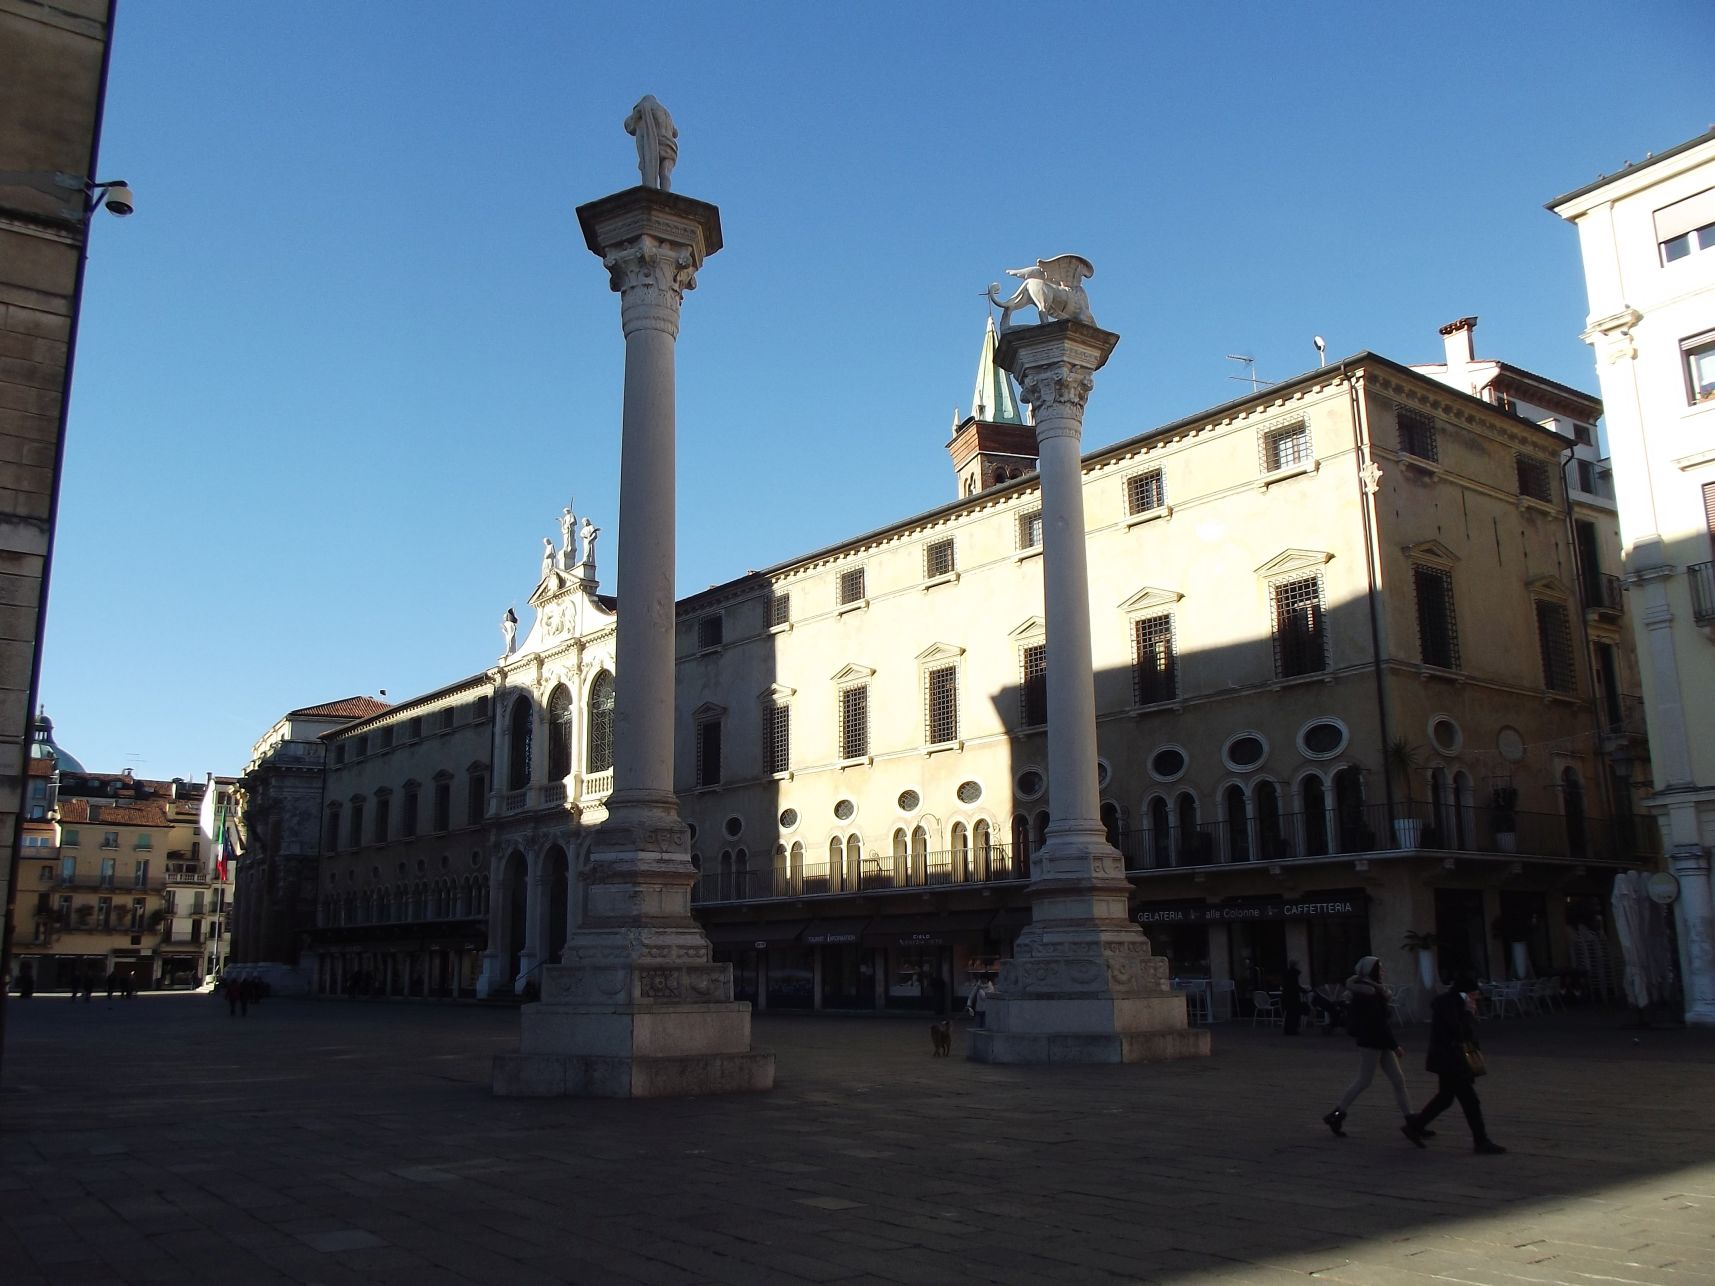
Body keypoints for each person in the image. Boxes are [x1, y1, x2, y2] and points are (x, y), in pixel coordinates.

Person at [1405, 976, 1506, 1153]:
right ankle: (1480, 1141)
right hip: (1452, 1060)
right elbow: (1459, 1032)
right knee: (1470, 1101)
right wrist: (1468, 1013)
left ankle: (1416, 1125)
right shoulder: (1453, 1005)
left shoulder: (1448, 1003)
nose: (1476, 998)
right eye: (1474, 995)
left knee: (1445, 1097)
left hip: (1446, 1059)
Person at [1321, 956, 1418, 1138]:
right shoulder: (1367, 993)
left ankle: (1412, 1120)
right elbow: (1379, 1022)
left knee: (1398, 1079)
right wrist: (1395, 1045)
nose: (1383, 971)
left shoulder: (1373, 990)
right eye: (1379, 968)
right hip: (1371, 1041)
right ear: (1371, 971)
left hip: (1378, 1040)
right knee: (1364, 1080)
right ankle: (1336, 1114)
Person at [1281, 960, 1305, 1036]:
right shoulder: (1294, 974)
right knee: (1294, 1013)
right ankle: (1292, 1029)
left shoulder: (1287, 974)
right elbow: (1295, 985)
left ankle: (1288, 1029)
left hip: (1287, 996)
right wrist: (1303, 990)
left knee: (1289, 1013)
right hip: (1293, 997)